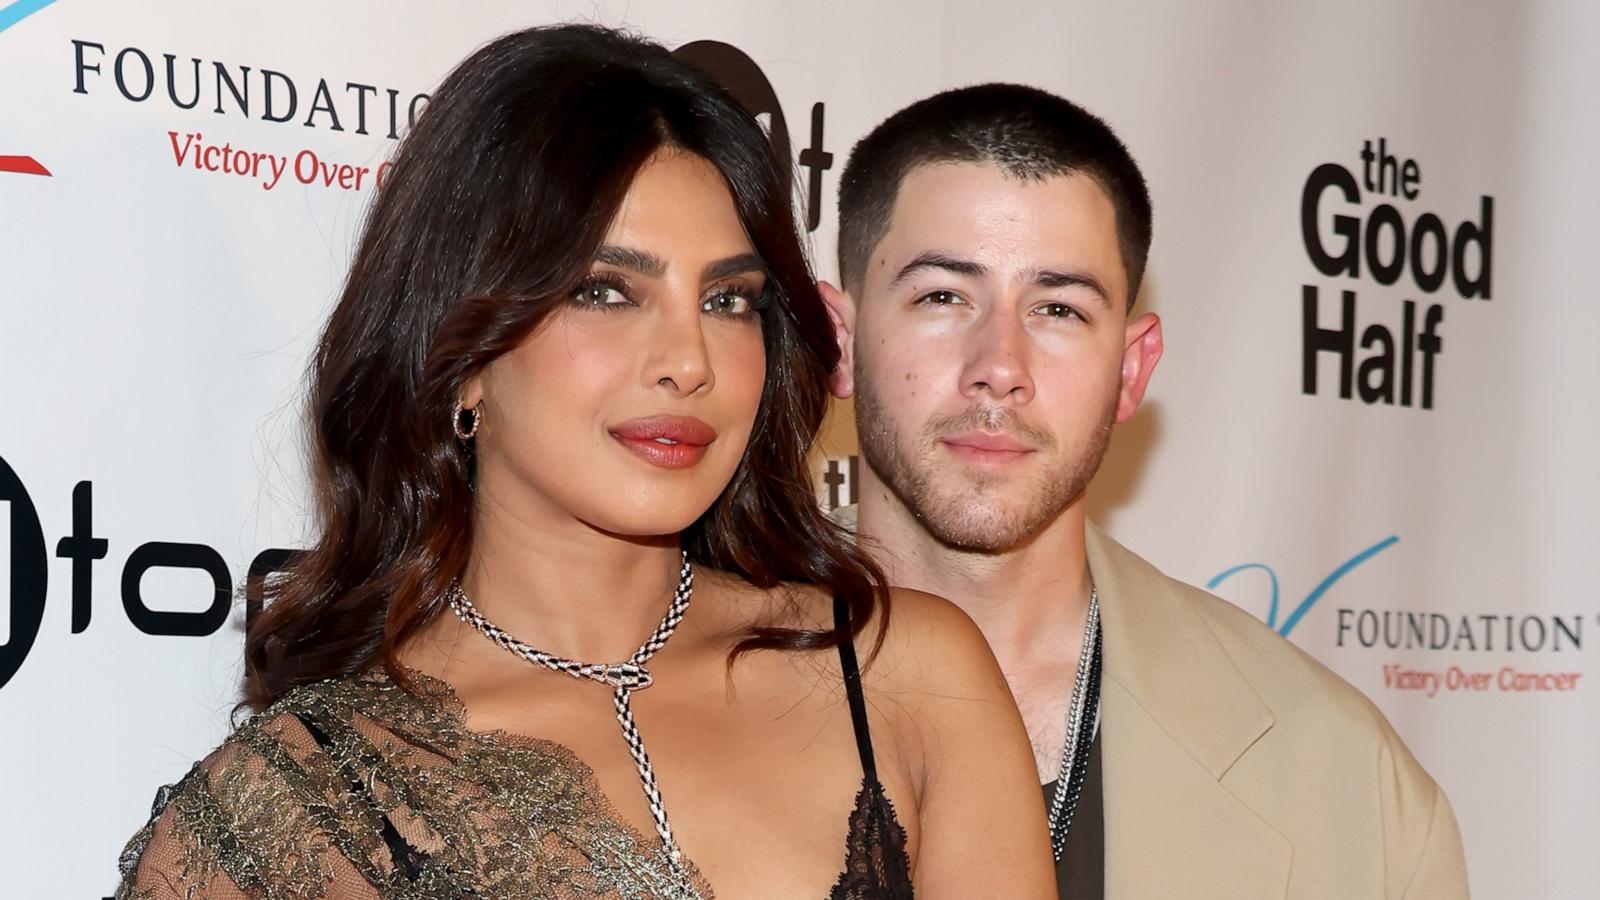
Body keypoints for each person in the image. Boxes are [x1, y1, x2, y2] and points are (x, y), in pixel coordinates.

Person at [114, 28, 1055, 900]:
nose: (690, 360)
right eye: (607, 291)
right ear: (464, 355)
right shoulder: (301, 806)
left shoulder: (903, 677)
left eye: (729, 301)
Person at [822, 83, 1470, 899]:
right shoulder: (652, 694)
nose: (1000, 366)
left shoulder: (1349, 787)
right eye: (944, 296)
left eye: (1057, 308)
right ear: (839, 342)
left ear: (1131, 370)